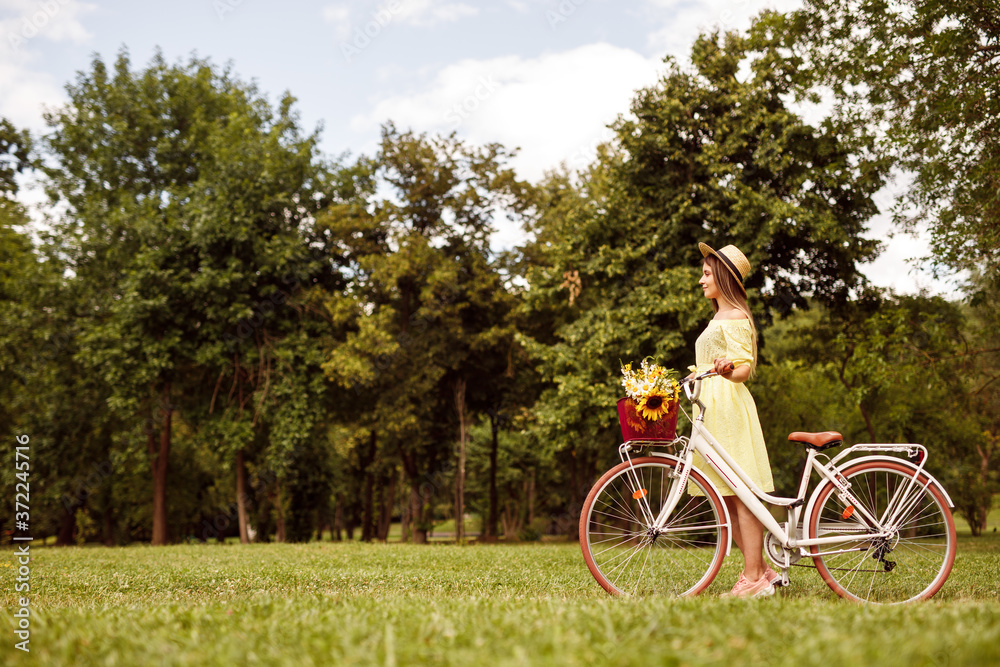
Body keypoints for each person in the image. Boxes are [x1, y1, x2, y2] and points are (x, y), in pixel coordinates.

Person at [688, 242, 776, 598]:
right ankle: (759, 572)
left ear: (723, 276)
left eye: (707, 273)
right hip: (710, 410)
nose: (700, 280)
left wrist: (725, 371)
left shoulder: (735, 317)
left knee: (739, 495)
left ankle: (754, 577)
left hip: (727, 408)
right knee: (723, 495)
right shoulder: (719, 317)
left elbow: (743, 368)